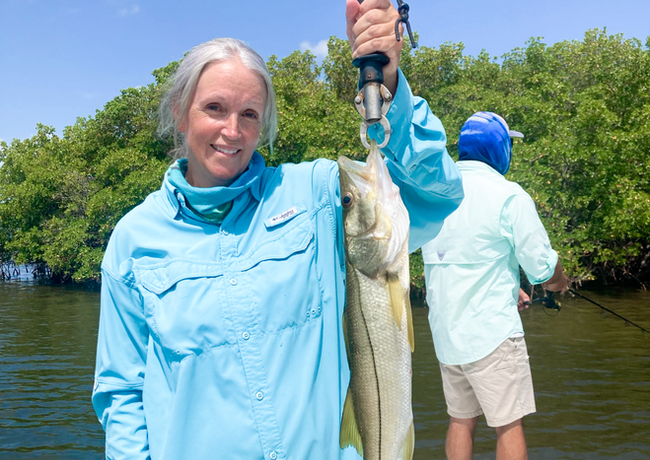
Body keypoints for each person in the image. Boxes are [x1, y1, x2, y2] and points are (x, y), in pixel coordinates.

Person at [91, 1, 464, 459]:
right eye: (214, 108)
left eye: (249, 114)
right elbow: (122, 393)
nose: (232, 130)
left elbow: (437, 195)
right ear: (181, 114)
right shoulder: (132, 240)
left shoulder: (313, 193)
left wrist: (386, 85)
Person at [421, 111, 568, 460]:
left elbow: (460, 259)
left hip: (448, 338)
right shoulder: (509, 195)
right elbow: (543, 268)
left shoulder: (437, 196)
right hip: (492, 336)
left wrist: (509, 287)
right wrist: (560, 282)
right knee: (509, 425)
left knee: (460, 420)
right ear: (499, 150)